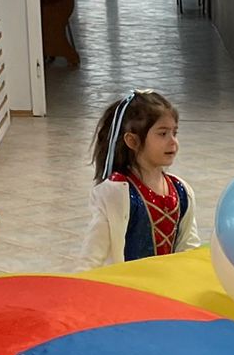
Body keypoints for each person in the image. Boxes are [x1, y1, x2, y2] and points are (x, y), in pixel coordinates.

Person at [79, 90, 196, 266]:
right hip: (126, 283)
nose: (173, 141)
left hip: (168, 281)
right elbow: (92, 255)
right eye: (163, 134)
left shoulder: (181, 191)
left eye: (174, 132)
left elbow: (188, 246)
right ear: (133, 141)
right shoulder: (116, 193)